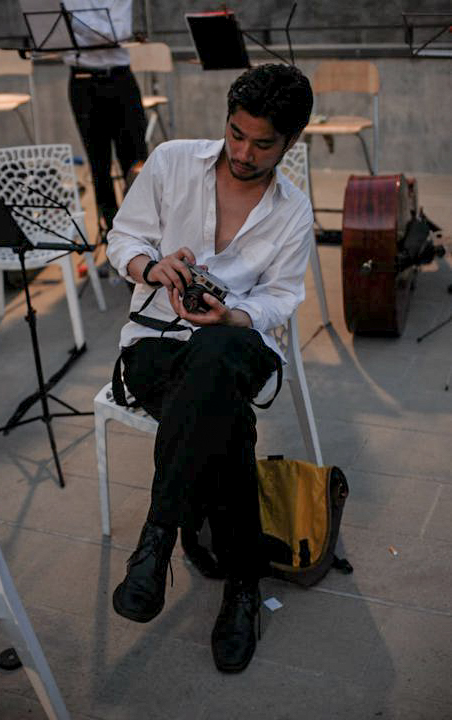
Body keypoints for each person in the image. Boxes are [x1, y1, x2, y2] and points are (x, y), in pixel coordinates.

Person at [106, 63, 314, 673]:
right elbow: (122, 239)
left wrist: (232, 316)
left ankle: (157, 539)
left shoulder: (293, 210)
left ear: (291, 141)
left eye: (263, 144)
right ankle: (244, 584)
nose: (244, 153)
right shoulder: (172, 161)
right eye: (236, 134)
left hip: (236, 345)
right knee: (227, 425)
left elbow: (281, 297)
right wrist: (151, 268)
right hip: (155, 340)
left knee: (218, 354)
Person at [62, 0, 148, 234]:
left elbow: (116, 33)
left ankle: (141, 228)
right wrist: (94, 24)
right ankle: (111, 233)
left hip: (119, 80)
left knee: (135, 160)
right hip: (81, 81)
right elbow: (58, 36)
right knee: (98, 163)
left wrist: (73, 20)